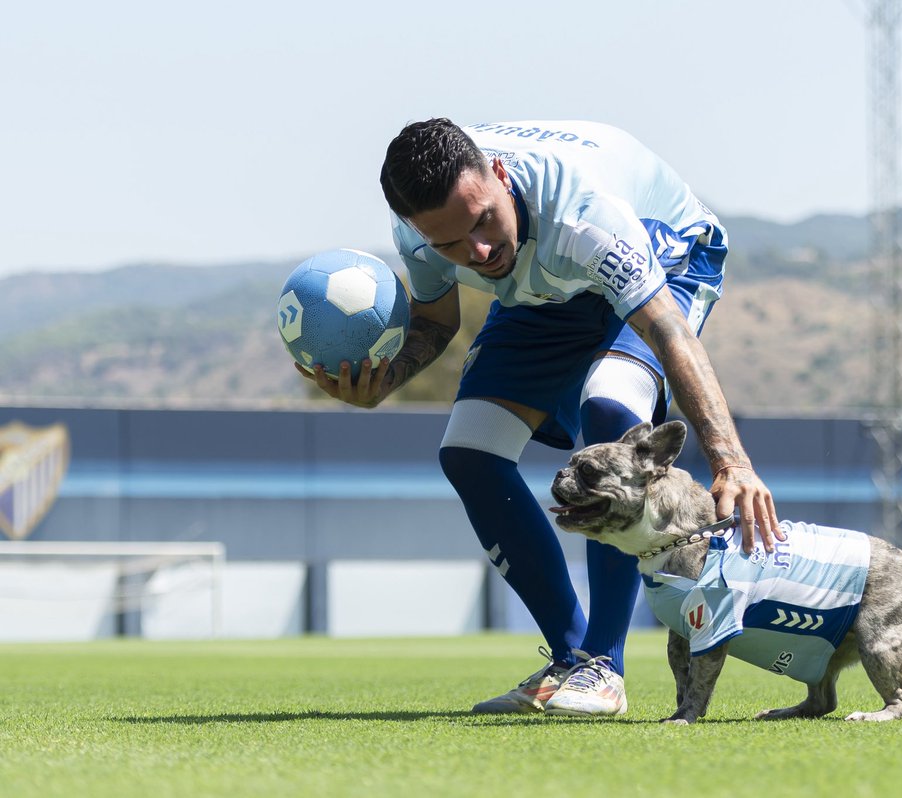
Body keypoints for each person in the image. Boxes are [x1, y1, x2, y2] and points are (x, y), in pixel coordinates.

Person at [299, 118, 781, 717]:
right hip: (546, 286)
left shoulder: (586, 216)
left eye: (483, 221)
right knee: (470, 454)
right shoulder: (419, 232)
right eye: (451, 245)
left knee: (609, 407)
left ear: (500, 176)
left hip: (667, 253)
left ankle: (605, 664)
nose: (477, 252)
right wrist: (384, 383)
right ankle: (573, 659)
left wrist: (731, 461)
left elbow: (667, 330)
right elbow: (437, 321)